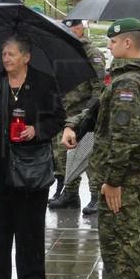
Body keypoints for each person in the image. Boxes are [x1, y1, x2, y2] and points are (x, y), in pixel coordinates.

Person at [62, 19, 140, 279]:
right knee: (120, 240)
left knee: (125, 242)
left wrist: (113, 180)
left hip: (124, 178)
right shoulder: (124, 79)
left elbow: (125, 137)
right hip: (126, 175)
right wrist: (76, 126)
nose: (109, 46)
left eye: (114, 41)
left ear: (129, 44)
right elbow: (98, 107)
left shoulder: (129, 83)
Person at [0, 35, 65, 279]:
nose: (6, 59)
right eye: (4, 54)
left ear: (26, 57)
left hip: (32, 164)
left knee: (31, 220)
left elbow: (58, 118)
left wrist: (35, 130)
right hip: (0, 161)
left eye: (12, 54)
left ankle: (31, 275)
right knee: (1, 220)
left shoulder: (44, 83)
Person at [49, 19, 106, 213]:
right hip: (66, 113)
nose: (68, 32)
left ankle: (97, 196)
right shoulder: (66, 52)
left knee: (90, 159)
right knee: (66, 157)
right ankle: (70, 194)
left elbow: (99, 88)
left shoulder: (92, 54)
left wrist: (88, 113)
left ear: (80, 29)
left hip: (85, 114)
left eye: (71, 28)